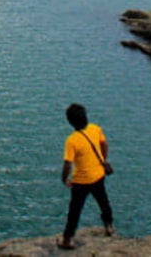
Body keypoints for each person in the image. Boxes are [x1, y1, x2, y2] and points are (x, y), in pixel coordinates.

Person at [58, 103, 115, 250]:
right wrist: (103, 159)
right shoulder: (95, 129)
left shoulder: (72, 140)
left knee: (75, 210)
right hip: (98, 175)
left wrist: (64, 178)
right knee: (103, 201)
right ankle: (109, 226)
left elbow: (67, 164)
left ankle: (67, 239)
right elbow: (105, 144)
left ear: (70, 121)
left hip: (81, 181)